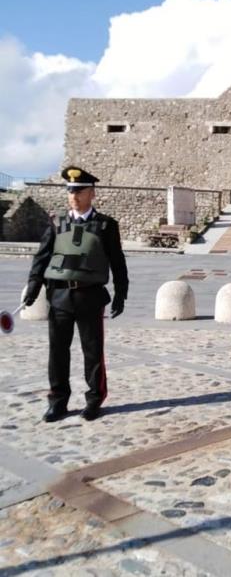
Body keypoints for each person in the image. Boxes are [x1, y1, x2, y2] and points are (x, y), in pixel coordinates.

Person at [23, 166, 128, 422]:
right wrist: (34, 285)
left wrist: (120, 293)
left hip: (90, 297)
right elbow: (42, 257)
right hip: (59, 297)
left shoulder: (105, 225)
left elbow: (117, 261)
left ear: (92, 193)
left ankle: (94, 399)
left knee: (92, 351)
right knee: (57, 352)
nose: (74, 197)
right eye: (70, 192)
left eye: (79, 192)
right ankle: (58, 401)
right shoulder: (57, 223)